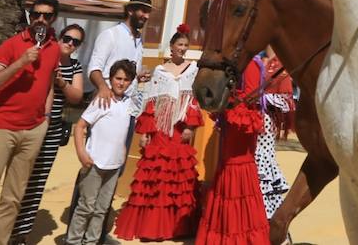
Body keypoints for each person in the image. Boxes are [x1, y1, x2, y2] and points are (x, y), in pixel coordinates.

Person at [0, 0, 80, 245]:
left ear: (53, 19)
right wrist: (21, 62)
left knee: (12, 200)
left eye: (46, 16)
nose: (40, 20)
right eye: (36, 15)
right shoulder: (12, 45)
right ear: (30, 16)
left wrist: (44, 119)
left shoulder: (55, 48)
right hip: (1, 129)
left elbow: (48, 86)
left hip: (33, 131)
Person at [116, 27, 201, 241]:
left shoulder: (192, 70)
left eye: (185, 45)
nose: (182, 49)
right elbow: (151, 102)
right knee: (158, 173)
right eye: (179, 45)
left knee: (178, 176)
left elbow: (193, 101)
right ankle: (152, 227)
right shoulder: (160, 71)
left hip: (180, 129)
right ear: (171, 47)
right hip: (162, 130)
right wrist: (145, 132)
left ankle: (177, 227)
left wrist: (190, 126)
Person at [10, 23, 85, 244]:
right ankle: (6, 228)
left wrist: (61, 81)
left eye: (75, 42)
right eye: (67, 38)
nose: (70, 43)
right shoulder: (43, 55)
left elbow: (76, 96)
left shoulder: (75, 67)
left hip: (52, 131)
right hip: (29, 124)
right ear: (59, 37)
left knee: (37, 182)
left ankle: (20, 233)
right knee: (17, 179)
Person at [67, 60, 143, 245]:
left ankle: (91, 241)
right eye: (118, 78)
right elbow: (80, 126)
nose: (121, 83)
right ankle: (73, 241)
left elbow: (123, 131)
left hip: (114, 166)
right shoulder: (102, 100)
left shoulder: (128, 104)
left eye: (126, 79)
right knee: (86, 207)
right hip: (94, 163)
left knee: (101, 209)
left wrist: (123, 153)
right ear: (111, 78)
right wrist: (81, 153)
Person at [196, 55, 269, 245]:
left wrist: (225, 102)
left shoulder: (251, 63)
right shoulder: (238, 64)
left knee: (236, 170)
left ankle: (239, 235)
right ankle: (224, 232)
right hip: (231, 123)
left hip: (240, 125)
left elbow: (250, 97)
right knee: (227, 170)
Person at [253, 51, 291, 217]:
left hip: (266, 122)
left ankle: (264, 211)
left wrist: (262, 99)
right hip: (245, 120)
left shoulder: (281, 65)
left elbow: (287, 101)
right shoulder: (254, 60)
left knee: (262, 160)